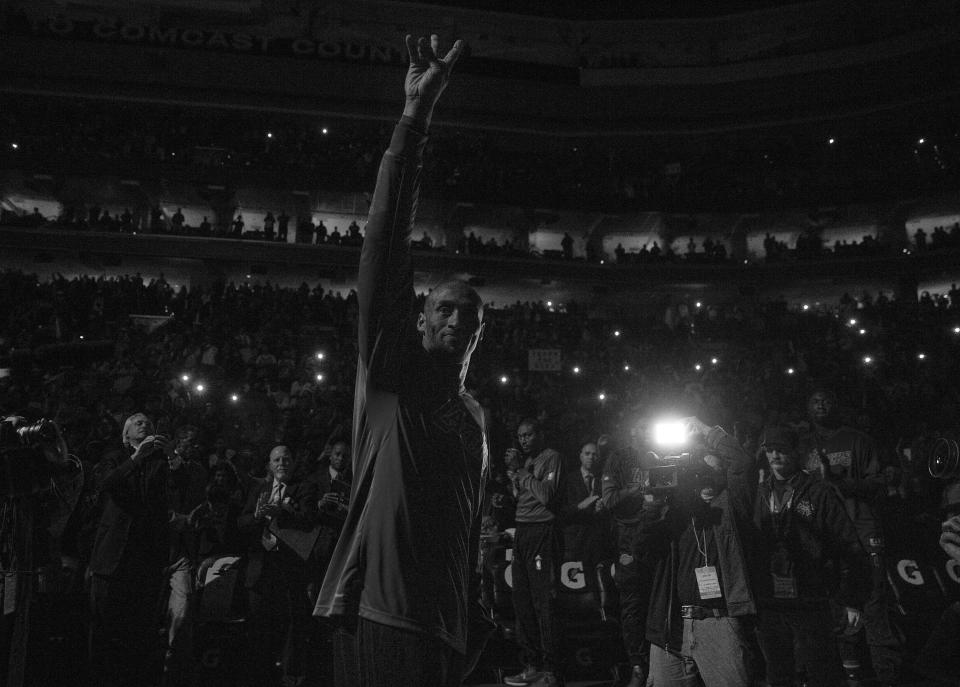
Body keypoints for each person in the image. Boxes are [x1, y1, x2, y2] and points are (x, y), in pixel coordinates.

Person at [313, 33, 494, 687]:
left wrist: (475, 617)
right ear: (419, 317)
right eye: (442, 307)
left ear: (481, 333)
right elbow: (385, 241)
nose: (454, 318)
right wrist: (414, 120)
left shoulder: (473, 417)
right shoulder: (395, 371)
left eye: (467, 313)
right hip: (379, 616)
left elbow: (466, 530)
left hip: (445, 631)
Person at [640, 417, 758, 686]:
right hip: (670, 624)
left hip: (717, 622)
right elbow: (642, 553)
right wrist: (650, 509)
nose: (705, 475)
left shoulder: (732, 505)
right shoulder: (676, 510)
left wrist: (706, 431)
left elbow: (743, 464)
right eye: (699, 470)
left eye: (712, 469)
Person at [799, 389, 903, 685]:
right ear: (807, 408)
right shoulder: (803, 444)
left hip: (862, 532)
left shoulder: (857, 440)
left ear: (836, 404)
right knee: (838, 613)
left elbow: (878, 483)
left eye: (826, 399)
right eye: (814, 400)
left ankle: (889, 678)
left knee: (873, 610)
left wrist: (836, 478)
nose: (820, 404)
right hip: (825, 539)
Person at [754, 426, 869, 687]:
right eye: (769, 449)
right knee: (779, 676)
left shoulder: (818, 492)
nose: (774, 454)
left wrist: (852, 599)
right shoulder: (759, 493)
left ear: (796, 451)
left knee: (822, 673)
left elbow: (849, 546)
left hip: (810, 599)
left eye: (781, 449)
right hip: (771, 601)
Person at [88, 413, 171, 687]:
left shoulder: (161, 463)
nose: (145, 424)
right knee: (102, 628)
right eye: (138, 422)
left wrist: (171, 459)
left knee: (136, 630)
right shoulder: (115, 457)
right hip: (112, 556)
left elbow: (169, 496)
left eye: (148, 422)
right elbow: (107, 484)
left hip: (143, 558)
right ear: (126, 435)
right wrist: (136, 458)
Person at [239, 445, 319, 686]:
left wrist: (283, 511)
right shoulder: (259, 489)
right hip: (261, 568)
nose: (282, 463)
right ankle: (260, 675)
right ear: (270, 465)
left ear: (293, 463)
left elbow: (309, 520)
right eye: (277, 460)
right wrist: (258, 516)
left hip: (289, 567)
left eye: (286, 459)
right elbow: (241, 522)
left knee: (291, 625)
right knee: (260, 624)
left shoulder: (304, 487)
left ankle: (291, 677)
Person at [503, 418, 564, 687]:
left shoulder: (552, 458)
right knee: (522, 601)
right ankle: (531, 665)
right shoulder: (525, 464)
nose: (524, 440)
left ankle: (552, 670)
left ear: (539, 435)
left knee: (543, 603)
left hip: (542, 531)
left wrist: (522, 473)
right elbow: (522, 497)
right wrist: (512, 479)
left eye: (528, 435)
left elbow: (546, 495)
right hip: (522, 531)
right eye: (520, 436)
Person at [601, 426, 661, 687]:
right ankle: (638, 665)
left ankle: (663, 665)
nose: (641, 432)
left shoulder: (659, 453)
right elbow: (609, 499)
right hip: (629, 536)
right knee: (633, 604)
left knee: (660, 598)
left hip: (660, 530)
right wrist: (637, 491)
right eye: (636, 428)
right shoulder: (618, 458)